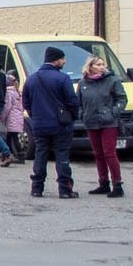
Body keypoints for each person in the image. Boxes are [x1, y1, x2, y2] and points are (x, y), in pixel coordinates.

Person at [22, 46, 81, 198]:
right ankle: (65, 189)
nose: (64, 61)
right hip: (61, 124)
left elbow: (26, 102)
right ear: (56, 60)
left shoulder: (32, 79)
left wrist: (35, 116)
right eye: (62, 59)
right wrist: (72, 117)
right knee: (62, 155)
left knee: (40, 154)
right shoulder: (63, 78)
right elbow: (72, 101)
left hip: (39, 124)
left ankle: (36, 188)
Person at [78, 54, 128, 198]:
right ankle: (103, 182)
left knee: (109, 153)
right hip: (91, 121)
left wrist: (113, 113)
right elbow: (79, 102)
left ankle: (117, 184)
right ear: (90, 67)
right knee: (98, 154)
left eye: (103, 64)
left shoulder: (112, 81)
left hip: (108, 122)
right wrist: (82, 114)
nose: (102, 67)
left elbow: (122, 98)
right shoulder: (83, 83)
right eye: (98, 64)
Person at [0, 70, 25, 165]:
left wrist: (1, 117)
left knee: (13, 137)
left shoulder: (8, 93)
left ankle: (19, 156)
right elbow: (22, 107)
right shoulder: (18, 92)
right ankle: (6, 153)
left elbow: (7, 107)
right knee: (10, 137)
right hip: (18, 117)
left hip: (11, 118)